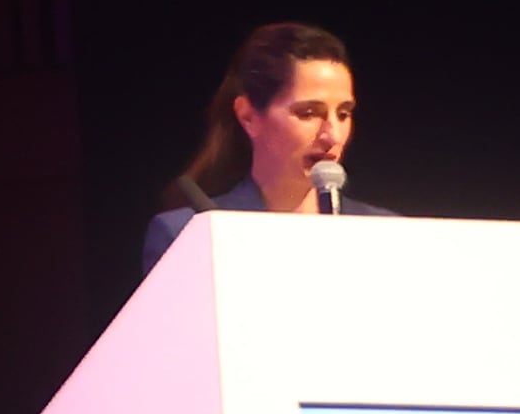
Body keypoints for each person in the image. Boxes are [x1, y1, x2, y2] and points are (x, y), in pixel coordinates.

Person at [143, 21, 385, 268]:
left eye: (343, 114)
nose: (332, 135)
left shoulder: (387, 235)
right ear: (248, 116)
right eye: (309, 113)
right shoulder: (188, 235)